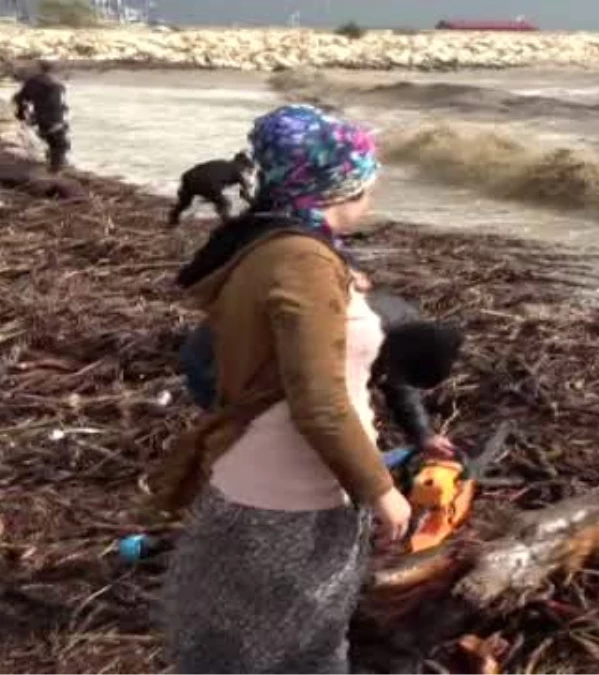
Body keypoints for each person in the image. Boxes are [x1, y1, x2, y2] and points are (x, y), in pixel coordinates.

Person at [151, 104, 411, 674]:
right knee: (306, 648)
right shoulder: (303, 261)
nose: (372, 198)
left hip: (253, 464)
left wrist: (337, 282)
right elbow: (318, 401)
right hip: (300, 487)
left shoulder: (266, 243)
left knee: (242, 633)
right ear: (336, 187)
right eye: (367, 185)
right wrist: (380, 489)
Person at [177, 290, 463, 458]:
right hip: (216, 361)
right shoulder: (346, 340)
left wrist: (423, 434)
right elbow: (321, 414)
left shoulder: (407, 331)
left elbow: (399, 383)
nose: (390, 379)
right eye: (393, 372)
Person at [168, 151, 256, 226]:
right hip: (208, 185)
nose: (245, 170)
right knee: (225, 203)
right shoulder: (237, 172)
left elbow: (201, 167)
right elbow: (246, 193)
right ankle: (227, 222)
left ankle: (173, 218)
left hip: (189, 177)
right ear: (242, 165)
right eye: (246, 168)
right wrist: (250, 201)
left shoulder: (220, 162)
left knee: (185, 202)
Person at [12, 60, 70, 173]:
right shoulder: (54, 83)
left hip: (43, 117)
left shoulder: (34, 82)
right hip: (53, 117)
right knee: (60, 144)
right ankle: (55, 171)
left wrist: (21, 114)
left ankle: (54, 166)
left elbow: (20, 98)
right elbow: (57, 104)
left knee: (54, 142)